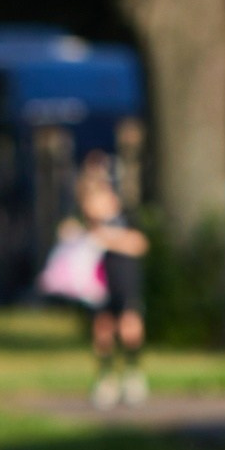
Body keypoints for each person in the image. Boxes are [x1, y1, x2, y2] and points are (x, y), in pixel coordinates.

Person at [69, 158, 150, 408]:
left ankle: (132, 372)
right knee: (103, 327)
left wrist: (107, 238)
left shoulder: (124, 219)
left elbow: (139, 244)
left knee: (129, 325)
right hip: (98, 283)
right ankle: (106, 377)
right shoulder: (85, 226)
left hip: (124, 279)